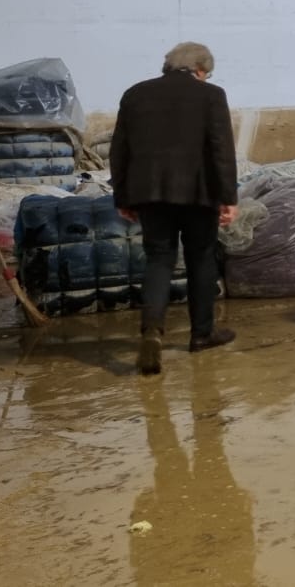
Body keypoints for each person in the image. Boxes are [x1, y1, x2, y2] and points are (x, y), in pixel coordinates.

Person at [111, 42, 239, 376]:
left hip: (149, 195)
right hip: (199, 193)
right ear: (200, 69)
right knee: (201, 257)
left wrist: (122, 197)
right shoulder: (211, 95)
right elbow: (221, 150)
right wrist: (229, 197)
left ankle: (152, 330)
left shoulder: (135, 94)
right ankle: (202, 335)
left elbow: (119, 150)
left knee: (159, 258)